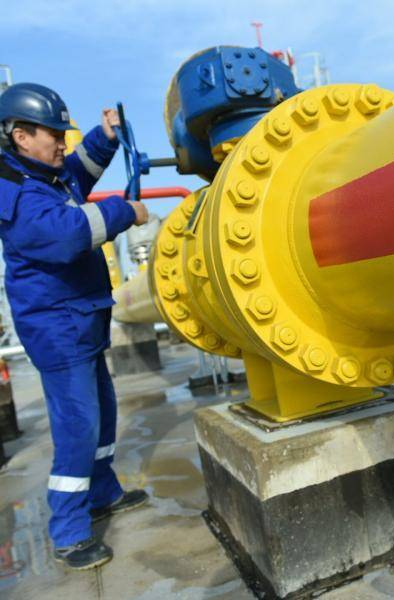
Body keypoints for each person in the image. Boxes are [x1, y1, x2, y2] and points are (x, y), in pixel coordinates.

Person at [0, 83, 150, 570]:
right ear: (21, 136)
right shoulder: (16, 193)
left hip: (79, 318)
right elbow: (67, 235)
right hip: (57, 327)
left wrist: (105, 138)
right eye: (54, 135)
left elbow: (77, 174)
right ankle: (68, 531)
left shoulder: (45, 176)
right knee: (77, 427)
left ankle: (103, 493)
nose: (62, 144)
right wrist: (126, 211)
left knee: (102, 414)